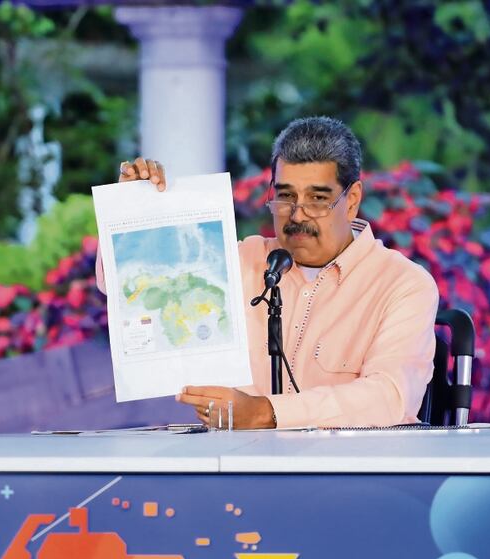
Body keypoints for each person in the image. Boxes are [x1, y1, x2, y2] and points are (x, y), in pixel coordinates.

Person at [104, 116, 439, 429]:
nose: (296, 215)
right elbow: (125, 284)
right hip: (234, 472)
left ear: (351, 200)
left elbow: (389, 397)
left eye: (317, 199)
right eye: (285, 196)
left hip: (346, 477)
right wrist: (134, 206)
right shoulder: (245, 260)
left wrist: (265, 412)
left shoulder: (402, 285)